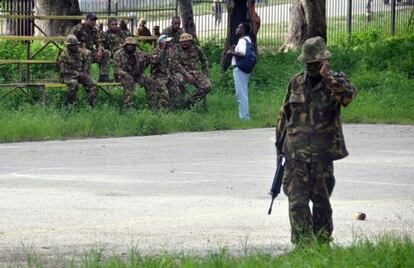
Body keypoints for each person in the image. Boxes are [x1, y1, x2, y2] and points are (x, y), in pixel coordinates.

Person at [275, 36, 357, 245]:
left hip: (322, 155)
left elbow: (348, 97)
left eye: (316, 63)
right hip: (296, 154)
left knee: (321, 202)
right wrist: (280, 148)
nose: (311, 67)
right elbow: (284, 115)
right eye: (308, 63)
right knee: (297, 202)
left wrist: (328, 77)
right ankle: (303, 245)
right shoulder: (296, 82)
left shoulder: (335, 82)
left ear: (324, 62)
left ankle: (321, 243)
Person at [113, 37, 169, 109]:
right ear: (125, 45)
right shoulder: (118, 54)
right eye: (128, 45)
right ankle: (128, 107)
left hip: (136, 75)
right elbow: (116, 69)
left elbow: (153, 59)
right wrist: (125, 74)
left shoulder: (139, 53)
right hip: (122, 76)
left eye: (132, 45)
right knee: (129, 81)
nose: (130, 46)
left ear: (135, 46)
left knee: (150, 82)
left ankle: (153, 106)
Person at [170, 33, 211, 108]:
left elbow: (204, 61)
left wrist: (205, 74)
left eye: (187, 41)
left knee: (207, 86)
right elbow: (176, 64)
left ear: (190, 41)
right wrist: (187, 75)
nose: (184, 43)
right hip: (181, 73)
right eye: (182, 41)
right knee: (174, 82)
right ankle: (177, 104)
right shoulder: (176, 49)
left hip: (195, 73)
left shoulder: (196, 49)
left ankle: (190, 102)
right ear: (180, 42)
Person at [57, 34, 98, 106]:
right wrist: (77, 73)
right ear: (68, 46)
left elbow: (86, 59)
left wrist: (85, 73)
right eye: (73, 45)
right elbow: (63, 70)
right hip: (67, 76)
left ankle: (91, 105)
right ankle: (69, 105)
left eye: (76, 45)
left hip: (81, 75)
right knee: (74, 84)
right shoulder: (63, 54)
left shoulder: (80, 52)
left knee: (93, 84)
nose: (75, 46)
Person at [70, 13, 111, 82]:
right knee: (87, 52)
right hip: (78, 53)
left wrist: (100, 50)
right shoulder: (78, 28)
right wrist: (79, 48)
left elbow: (99, 42)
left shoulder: (94, 30)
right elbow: (70, 41)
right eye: (91, 20)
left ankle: (103, 75)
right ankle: (86, 75)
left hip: (89, 53)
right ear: (86, 20)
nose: (93, 22)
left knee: (106, 53)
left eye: (94, 20)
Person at [227, 23, 253, 120]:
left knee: (240, 93)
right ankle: (244, 115)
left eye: (239, 27)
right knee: (243, 92)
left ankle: (244, 117)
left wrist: (231, 52)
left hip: (240, 69)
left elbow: (242, 54)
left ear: (243, 30)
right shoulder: (248, 40)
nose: (237, 29)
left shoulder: (242, 40)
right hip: (244, 69)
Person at [151, 35, 181, 109]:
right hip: (157, 77)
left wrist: (174, 76)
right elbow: (156, 60)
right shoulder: (155, 51)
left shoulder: (169, 51)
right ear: (162, 43)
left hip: (168, 76)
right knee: (165, 94)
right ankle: (162, 111)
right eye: (167, 42)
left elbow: (171, 65)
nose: (170, 43)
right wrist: (163, 49)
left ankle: (174, 110)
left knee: (176, 92)